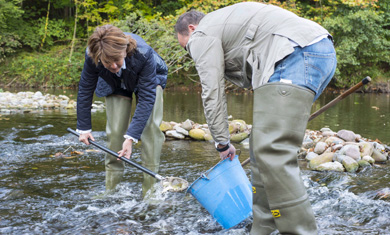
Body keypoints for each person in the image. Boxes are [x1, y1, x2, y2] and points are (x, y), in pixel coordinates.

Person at [175, 2, 336, 234]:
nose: (190, 53)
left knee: (273, 152)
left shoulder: (202, 34)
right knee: (261, 151)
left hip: (295, 55)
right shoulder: (226, 24)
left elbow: (212, 90)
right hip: (315, 53)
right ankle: (263, 228)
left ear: (191, 29)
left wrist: (221, 141)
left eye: (186, 47)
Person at [76, 25, 168, 197]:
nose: (113, 65)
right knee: (115, 134)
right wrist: (84, 128)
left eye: (117, 60)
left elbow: (147, 98)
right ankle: (111, 191)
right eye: (107, 62)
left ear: (125, 50)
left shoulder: (144, 54)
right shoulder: (92, 55)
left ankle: (150, 192)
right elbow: (85, 89)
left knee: (150, 131)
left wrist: (131, 137)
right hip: (114, 84)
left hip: (148, 80)